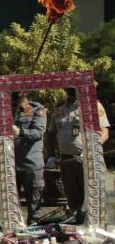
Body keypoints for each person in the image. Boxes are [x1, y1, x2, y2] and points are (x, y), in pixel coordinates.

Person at [46, 89, 110, 224]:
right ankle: (78, 231)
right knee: (73, 199)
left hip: (89, 159)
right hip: (66, 160)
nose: (70, 90)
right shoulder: (59, 108)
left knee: (94, 198)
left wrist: (91, 149)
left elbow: (104, 131)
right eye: (68, 88)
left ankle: (97, 231)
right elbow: (51, 134)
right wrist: (50, 155)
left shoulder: (92, 105)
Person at [12, 91, 46, 224]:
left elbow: (38, 133)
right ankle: (13, 236)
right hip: (11, 164)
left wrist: (20, 131)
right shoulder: (5, 110)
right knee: (11, 205)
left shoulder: (36, 109)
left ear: (25, 92)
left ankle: (34, 237)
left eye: (18, 92)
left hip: (30, 164)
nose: (14, 96)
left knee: (34, 205)